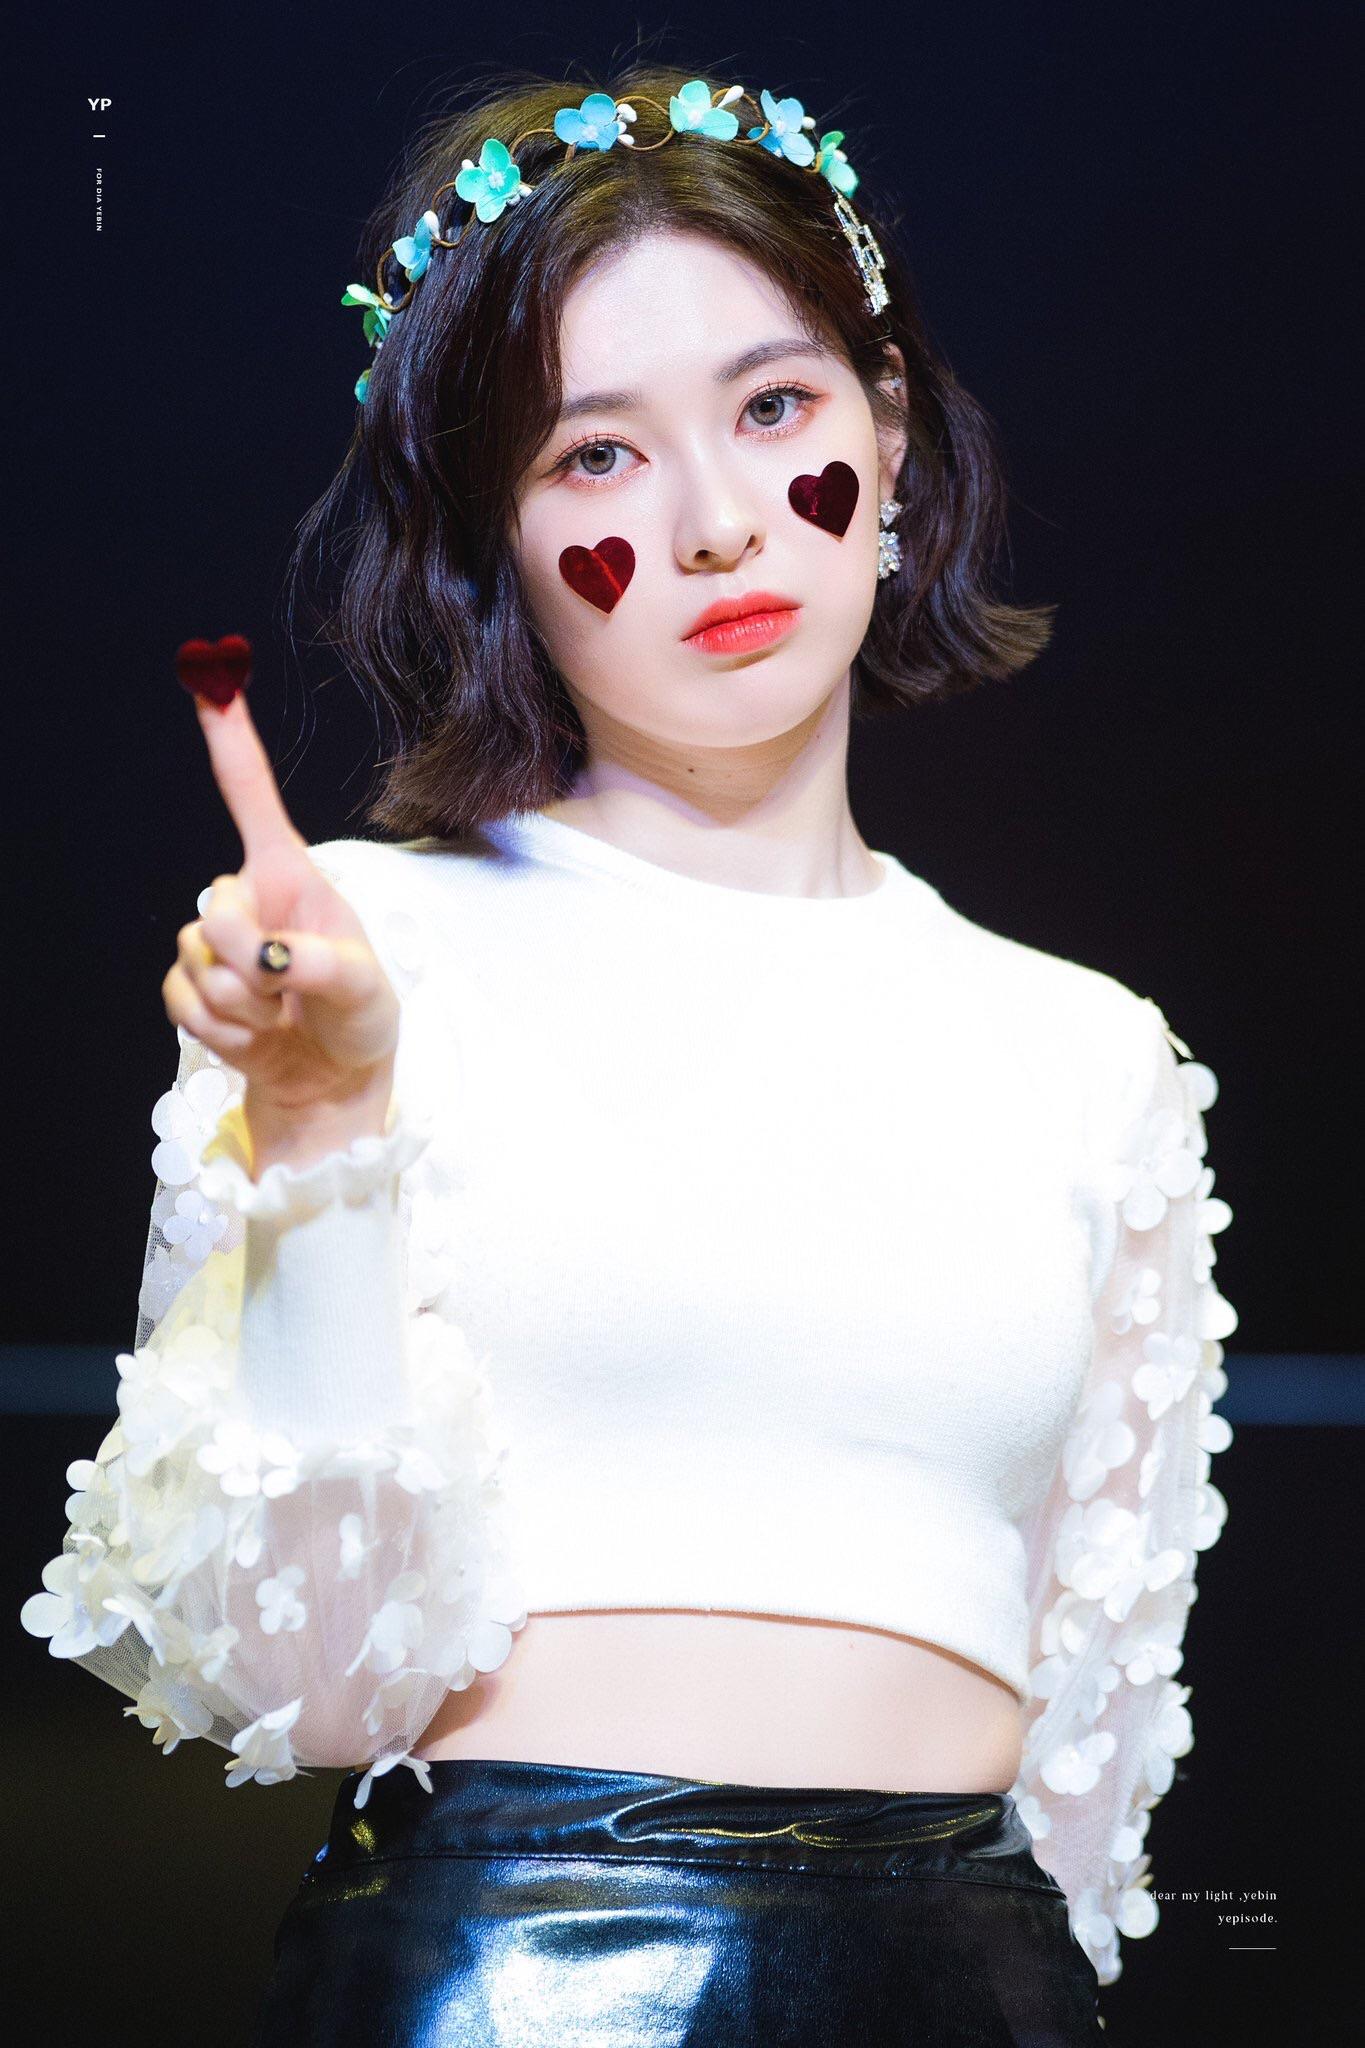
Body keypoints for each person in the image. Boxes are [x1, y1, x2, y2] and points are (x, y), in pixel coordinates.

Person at [21, 61, 1237, 2046]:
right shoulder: (363, 953)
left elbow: (1091, 1764)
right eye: (595, 454)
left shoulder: (1087, 1056)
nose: (714, 522)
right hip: (509, 1975)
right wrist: (318, 1119)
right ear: (488, 530)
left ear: (887, 432)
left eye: (771, 410)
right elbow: (302, 1684)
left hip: (969, 1976)